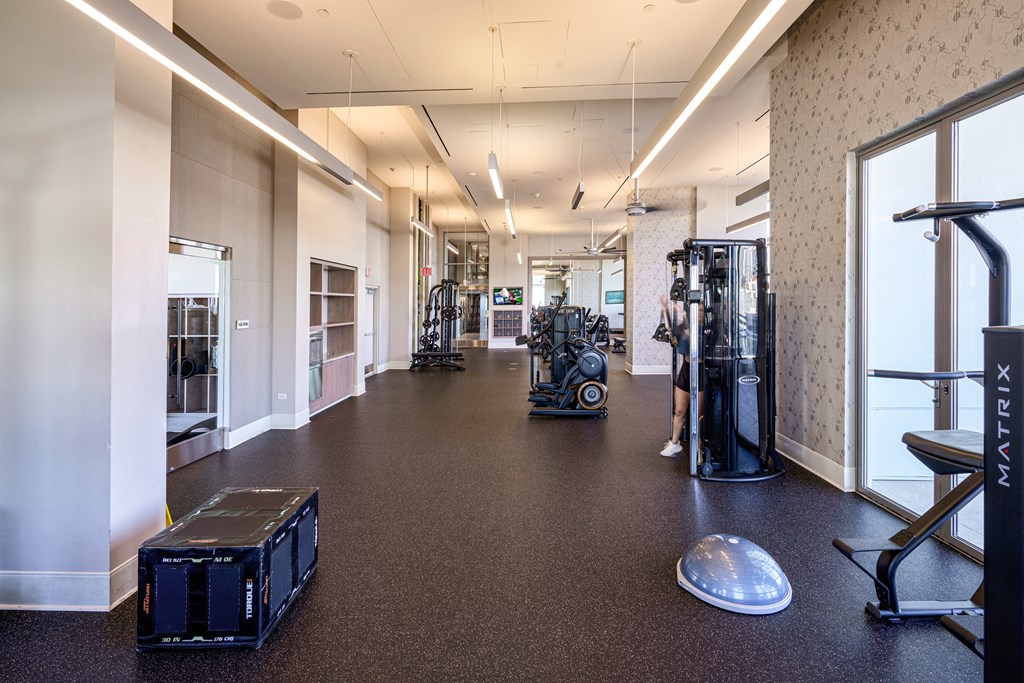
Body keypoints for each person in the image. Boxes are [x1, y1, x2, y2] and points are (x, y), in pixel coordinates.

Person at [660, 295, 703, 457]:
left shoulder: (709, 329)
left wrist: (684, 316)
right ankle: (674, 443)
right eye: (696, 310)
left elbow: (695, 343)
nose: (698, 313)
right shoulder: (686, 326)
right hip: (686, 369)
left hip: (701, 371)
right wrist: (665, 308)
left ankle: (699, 450)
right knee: (679, 411)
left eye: (701, 310)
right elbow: (671, 330)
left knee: (698, 415)